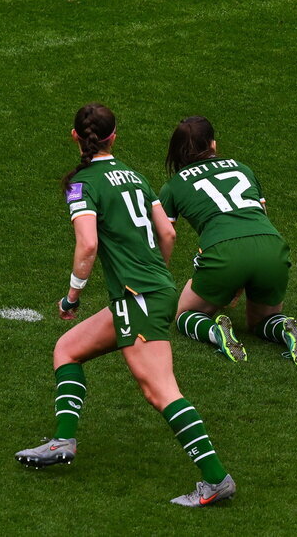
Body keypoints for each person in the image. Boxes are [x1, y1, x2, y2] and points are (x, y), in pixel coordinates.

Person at [15, 103, 235, 508]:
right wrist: (155, 277)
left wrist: (72, 296)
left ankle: (216, 480)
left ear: (75, 137)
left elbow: (88, 245)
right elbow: (166, 232)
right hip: (148, 294)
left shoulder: (82, 184)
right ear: (114, 137)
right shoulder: (135, 176)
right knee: (67, 349)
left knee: (161, 392)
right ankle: (63, 440)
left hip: (139, 300)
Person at [159, 116, 297, 368]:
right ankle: (284, 327)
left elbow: (165, 235)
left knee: (184, 314)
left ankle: (215, 333)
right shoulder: (243, 168)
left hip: (224, 253)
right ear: (213, 144)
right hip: (271, 247)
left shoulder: (173, 186)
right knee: (260, 321)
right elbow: (261, 215)